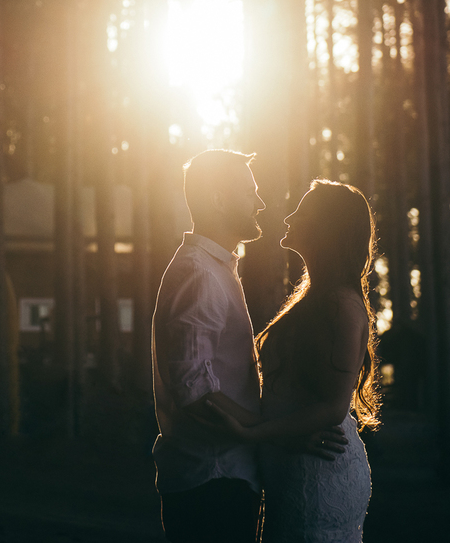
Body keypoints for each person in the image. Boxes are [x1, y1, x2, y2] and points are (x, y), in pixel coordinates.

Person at [152, 151, 346, 543]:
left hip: (223, 479)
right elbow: (194, 390)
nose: (260, 203)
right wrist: (277, 432)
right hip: (211, 482)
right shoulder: (199, 274)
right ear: (218, 200)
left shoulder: (215, 269)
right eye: (248, 193)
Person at [208, 179, 381, 543]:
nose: (288, 217)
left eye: (302, 212)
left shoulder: (342, 305)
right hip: (292, 461)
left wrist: (253, 433)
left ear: (325, 227)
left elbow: (334, 408)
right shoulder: (314, 298)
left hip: (319, 470)